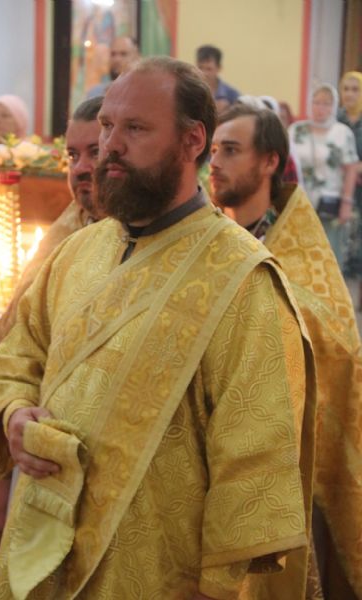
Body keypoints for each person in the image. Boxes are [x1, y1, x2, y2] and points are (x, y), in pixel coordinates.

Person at [0, 57, 314, 600]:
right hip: (39, 548)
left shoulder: (242, 279)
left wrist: (213, 591)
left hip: (155, 570)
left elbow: (254, 461)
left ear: (192, 141)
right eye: (108, 126)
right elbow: (18, 354)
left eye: (135, 128)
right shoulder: (78, 251)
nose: (110, 146)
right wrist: (14, 414)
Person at [209, 103, 362, 599]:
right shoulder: (203, 235)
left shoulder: (298, 244)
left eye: (231, 150)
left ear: (269, 161)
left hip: (281, 456)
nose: (215, 163)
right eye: (214, 150)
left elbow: (338, 340)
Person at [0, 96, 104, 599]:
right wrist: (0, 472)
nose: (81, 168)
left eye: (95, 152)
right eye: (72, 155)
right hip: (39, 469)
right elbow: (11, 354)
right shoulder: (62, 238)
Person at [288, 83, 358, 271]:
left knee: (328, 254)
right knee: (299, 253)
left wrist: (346, 202)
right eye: (316, 102)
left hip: (330, 203)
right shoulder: (296, 130)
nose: (320, 108)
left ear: (333, 106)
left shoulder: (342, 133)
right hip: (298, 201)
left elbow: (351, 168)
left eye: (326, 104)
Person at [338, 70, 362, 309]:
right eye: (346, 89)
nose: (350, 94)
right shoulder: (335, 120)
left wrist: (356, 167)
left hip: (360, 194)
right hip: (338, 192)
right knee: (340, 247)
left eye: (355, 89)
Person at [196, 45, 240, 110]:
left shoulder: (232, 95)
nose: (204, 73)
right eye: (200, 68)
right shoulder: (190, 92)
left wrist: (227, 111)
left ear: (219, 68)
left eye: (209, 69)